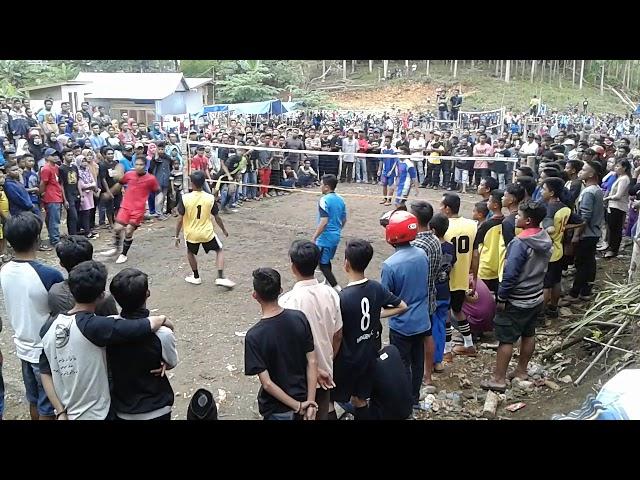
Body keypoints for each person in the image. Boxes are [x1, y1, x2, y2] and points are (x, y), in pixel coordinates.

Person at [39, 260, 171, 420]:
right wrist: (162, 319)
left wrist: (60, 411)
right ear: (102, 296)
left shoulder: (49, 327)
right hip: (99, 413)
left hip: (69, 412)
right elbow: (144, 325)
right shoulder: (98, 327)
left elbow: (45, 372)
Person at [332, 239, 407, 420]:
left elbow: (338, 334)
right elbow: (402, 306)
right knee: (361, 398)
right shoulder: (375, 287)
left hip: (348, 358)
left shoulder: (342, 297)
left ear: (346, 264)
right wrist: (377, 314)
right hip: (369, 353)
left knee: (331, 398)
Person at [481, 200, 551, 392]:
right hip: (536, 294)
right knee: (529, 333)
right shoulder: (544, 237)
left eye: (519, 215)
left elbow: (510, 274)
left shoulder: (520, 243)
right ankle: (521, 371)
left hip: (518, 298)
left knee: (506, 339)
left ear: (528, 220)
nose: (516, 218)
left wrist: (502, 298)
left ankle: (499, 379)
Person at [0, 213, 64, 420]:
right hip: (44, 350)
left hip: (22, 346)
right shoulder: (48, 274)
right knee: (49, 406)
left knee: (34, 399)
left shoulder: (5, 270)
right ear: (37, 238)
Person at [278, 240, 343, 420]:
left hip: (298, 376)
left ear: (293, 267)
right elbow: (338, 335)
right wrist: (328, 359)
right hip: (326, 369)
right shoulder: (331, 294)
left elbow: (286, 348)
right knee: (322, 409)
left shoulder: (287, 302)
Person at [244, 267, 319, 420]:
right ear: (281, 290)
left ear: (255, 295)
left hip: (277, 408)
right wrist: (310, 402)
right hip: (303, 396)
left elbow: (267, 384)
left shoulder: (254, 336)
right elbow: (312, 361)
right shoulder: (299, 318)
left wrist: (297, 406)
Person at [108, 268, 178, 420]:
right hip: (157, 406)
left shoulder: (108, 329)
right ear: (147, 293)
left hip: (123, 408)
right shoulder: (163, 334)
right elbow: (171, 362)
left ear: (114, 296)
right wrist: (163, 319)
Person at [380, 210, 430, 410]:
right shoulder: (421, 254)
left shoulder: (390, 265)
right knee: (418, 362)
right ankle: (414, 398)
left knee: (401, 365)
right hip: (421, 319)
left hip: (402, 323)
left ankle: (403, 404)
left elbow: (385, 297)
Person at [174, 171, 235, 288]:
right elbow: (217, 217)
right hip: (207, 233)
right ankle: (220, 276)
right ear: (203, 183)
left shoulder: (185, 198)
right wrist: (223, 230)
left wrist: (176, 236)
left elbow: (180, 219)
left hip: (191, 233)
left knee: (190, 252)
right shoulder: (210, 198)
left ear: (192, 184)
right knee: (219, 250)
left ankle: (196, 277)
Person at [100, 157, 160, 264]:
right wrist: (110, 193)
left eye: (141, 165)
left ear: (145, 166)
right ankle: (115, 248)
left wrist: (157, 203)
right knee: (117, 228)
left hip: (138, 209)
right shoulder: (129, 175)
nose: (138, 167)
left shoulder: (151, 179)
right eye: (136, 164)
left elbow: (157, 191)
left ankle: (123, 254)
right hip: (126, 206)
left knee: (128, 231)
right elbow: (120, 184)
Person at [561, 161, 605, 304]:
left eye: (584, 169)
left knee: (581, 264)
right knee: (589, 263)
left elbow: (584, 218)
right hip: (594, 232)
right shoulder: (596, 189)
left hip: (587, 234)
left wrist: (576, 234)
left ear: (591, 174)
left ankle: (574, 293)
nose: (580, 172)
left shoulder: (588, 192)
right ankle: (586, 291)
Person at [441, 193, 477, 359]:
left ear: (447, 208)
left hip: (447, 277)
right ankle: (469, 344)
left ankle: (447, 349)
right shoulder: (472, 225)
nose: (440, 208)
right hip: (463, 276)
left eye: (442, 206)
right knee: (458, 310)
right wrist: (473, 276)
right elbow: (476, 254)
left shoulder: (444, 227)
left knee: (446, 313)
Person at [541, 178, 582, 319]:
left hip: (549, 251)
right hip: (560, 249)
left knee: (546, 284)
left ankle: (540, 314)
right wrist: (563, 228)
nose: (541, 191)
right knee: (556, 281)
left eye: (544, 189)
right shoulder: (565, 207)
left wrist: (552, 228)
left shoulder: (549, 208)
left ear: (551, 192)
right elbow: (581, 222)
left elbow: (550, 229)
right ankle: (553, 308)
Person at [409, 201, 440, 389]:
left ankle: (417, 376)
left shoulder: (416, 244)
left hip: (416, 299)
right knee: (427, 336)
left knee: (412, 340)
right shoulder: (435, 239)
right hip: (430, 294)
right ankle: (427, 375)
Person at [48, 236, 118, 318]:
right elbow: (113, 323)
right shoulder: (103, 298)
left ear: (61, 264)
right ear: (91, 260)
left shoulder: (54, 292)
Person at [311, 174, 347, 290]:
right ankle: (327, 282)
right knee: (326, 260)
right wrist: (337, 230)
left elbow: (324, 221)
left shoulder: (324, 200)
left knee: (322, 264)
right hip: (336, 236)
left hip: (325, 238)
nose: (320, 186)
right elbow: (344, 219)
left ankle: (337, 288)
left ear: (326, 187)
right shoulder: (341, 199)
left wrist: (315, 237)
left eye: (321, 184)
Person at [471, 189, 505, 296]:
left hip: (485, 266)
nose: (487, 203)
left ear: (495, 205)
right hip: (498, 266)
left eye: (489, 201)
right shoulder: (505, 221)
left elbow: (477, 249)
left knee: (482, 295)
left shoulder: (486, 225)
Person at [603, 159, 631, 258]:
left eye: (618, 166)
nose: (616, 168)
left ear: (624, 168)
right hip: (613, 205)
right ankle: (610, 246)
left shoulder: (624, 179)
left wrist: (607, 198)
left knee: (615, 228)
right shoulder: (619, 177)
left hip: (618, 206)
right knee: (611, 227)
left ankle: (613, 249)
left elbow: (618, 195)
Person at [39, 148, 65, 248]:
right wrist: (41, 193)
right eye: (52, 155)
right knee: (54, 219)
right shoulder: (46, 168)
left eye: (56, 154)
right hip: (51, 196)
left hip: (56, 195)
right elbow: (43, 183)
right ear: (47, 157)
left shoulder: (56, 167)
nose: (55, 156)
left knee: (54, 218)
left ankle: (54, 236)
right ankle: (55, 240)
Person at [378, 135, 398, 206]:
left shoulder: (394, 150)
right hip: (384, 170)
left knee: (391, 185)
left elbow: (396, 161)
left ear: (391, 141)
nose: (386, 142)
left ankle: (389, 200)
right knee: (384, 184)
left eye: (387, 141)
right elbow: (381, 160)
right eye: (385, 141)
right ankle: (385, 198)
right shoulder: (383, 149)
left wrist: (391, 171)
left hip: (392, 171)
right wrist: (379, 170)